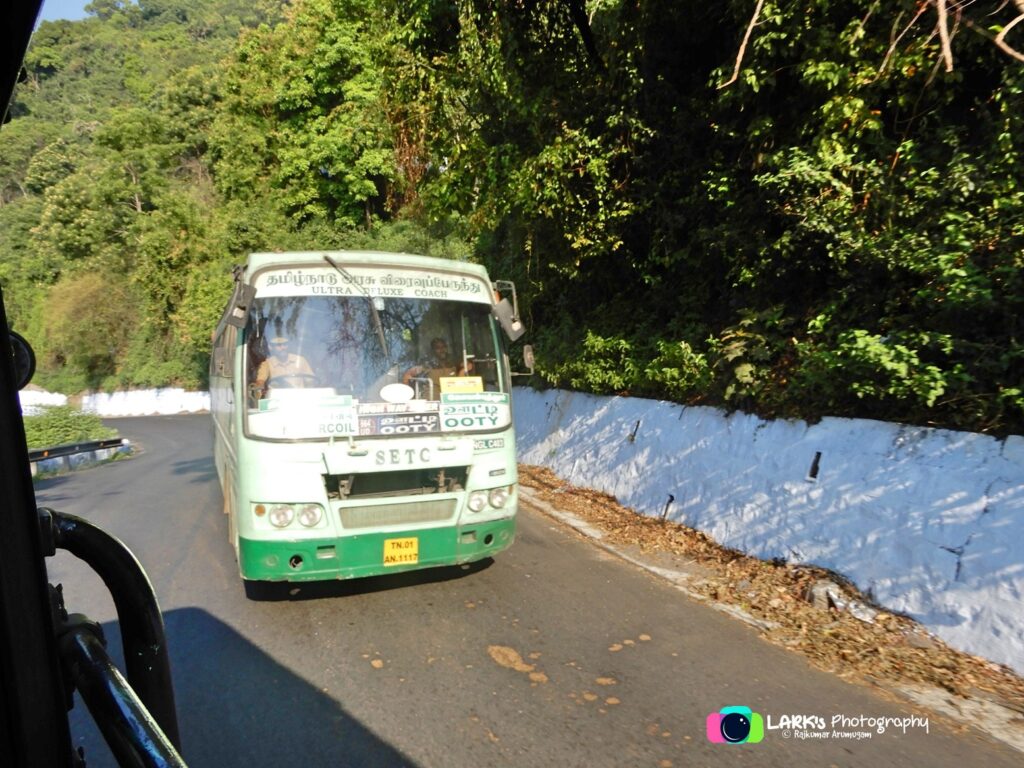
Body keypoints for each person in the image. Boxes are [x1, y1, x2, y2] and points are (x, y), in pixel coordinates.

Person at [402, 337, 472, 395]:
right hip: (432, 401)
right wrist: (407, 397)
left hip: (452, 398)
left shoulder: (453, 359)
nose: (442, 350)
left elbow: (468, 365)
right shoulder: (426, 363)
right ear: (433, 350)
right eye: (438, 348)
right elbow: (407, 376)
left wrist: (461, 373)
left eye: (444, 347)